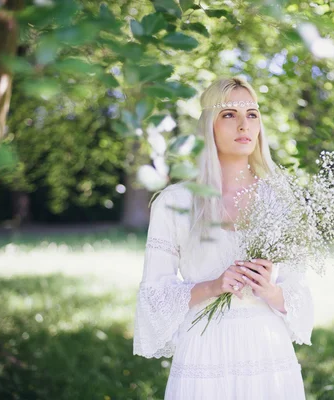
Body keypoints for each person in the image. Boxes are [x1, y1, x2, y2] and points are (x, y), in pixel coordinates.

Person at [133, 77, 314, 399]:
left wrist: (270, 290)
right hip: (204, 350)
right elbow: (154, 295)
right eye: (229, 114)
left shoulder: (282, 200)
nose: (244, 124)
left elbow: (300, 294)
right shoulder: (175, 203)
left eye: (252, 114)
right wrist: (213, 286)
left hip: (268, 353)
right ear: (208, 126)